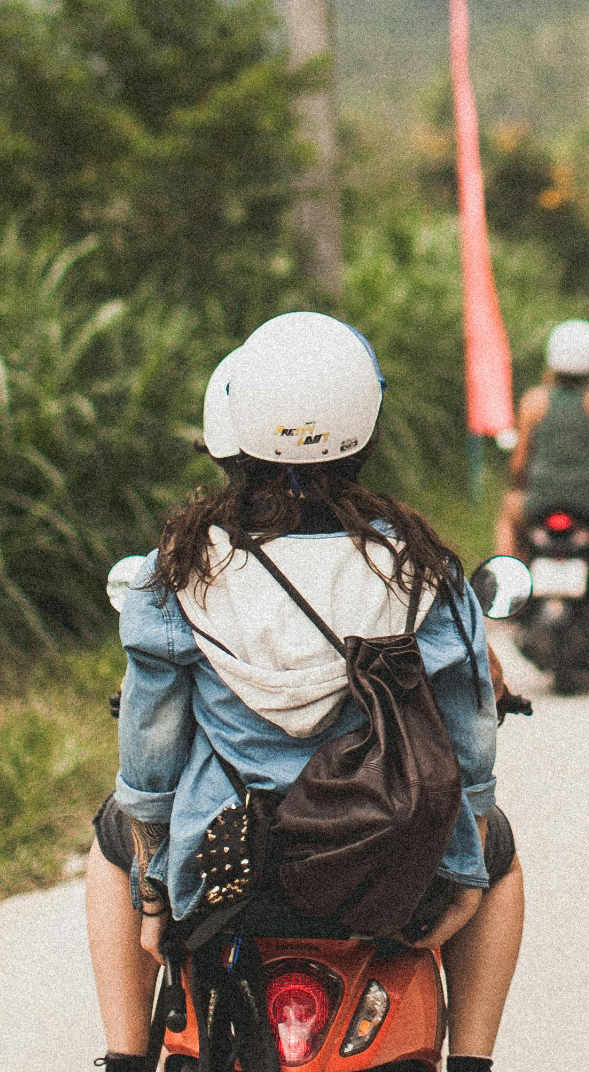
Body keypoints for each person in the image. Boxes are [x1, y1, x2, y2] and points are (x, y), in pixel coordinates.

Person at [85, 318, 523, 1072]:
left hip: (223, 874)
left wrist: (155, 886)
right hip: (384, 867)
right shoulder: (420, 571)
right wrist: (461, 872)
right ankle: (472, 1064)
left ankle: (126, 1061)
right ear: (368, 429)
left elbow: (150, 765)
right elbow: (468, 753)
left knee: (111, 835)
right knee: (500, 855)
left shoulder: (182, 570)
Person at [494, 318, 589, 619]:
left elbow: (518, 466)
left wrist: (522, 484)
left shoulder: (533, 402)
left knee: (507, 514)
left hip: (539, 504)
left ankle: (509, 589)